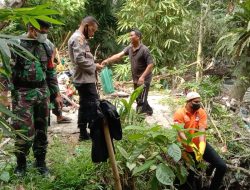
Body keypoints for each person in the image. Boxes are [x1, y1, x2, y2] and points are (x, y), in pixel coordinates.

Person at [11, 20, 62, 176]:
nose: (45, 34)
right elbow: (6, 71)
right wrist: (4, 95)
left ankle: (40, 163)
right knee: (23, 131)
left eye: (46, 31)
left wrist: (56, 94)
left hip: (42, 92)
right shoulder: (15, 44)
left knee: (42, 130)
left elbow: (51, 72)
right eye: (43, 31)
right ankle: (21, 164)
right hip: (22, 93)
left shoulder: (47, 46)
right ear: (32, 29)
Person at [173, 92, 227, 190]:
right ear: (188, 102)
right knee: (189, 177)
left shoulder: (201, 112)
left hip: (201, 145)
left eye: (199, 101)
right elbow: (181, 133)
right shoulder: (179, 113)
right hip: (187, 149)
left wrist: (201, 146)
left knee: (222, 166)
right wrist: (191, 145)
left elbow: (202, 130)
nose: (198, 103)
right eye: (196, 102)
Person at [101, 29, 154, 116]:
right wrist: (107, 60)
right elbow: (119, 55)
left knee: (141, 99)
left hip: (144, 79)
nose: (129, 37)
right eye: (129, 36)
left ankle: (139, 117)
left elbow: (150, 65)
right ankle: (149, 110)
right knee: (138, 97)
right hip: (136, 78)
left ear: (138, 37)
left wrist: (143, 77)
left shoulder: (144, 50)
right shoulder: (129, 48)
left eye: (131, 35)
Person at [68, 16, 103, 141]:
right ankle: (95, 132)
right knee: (94, 104)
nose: (92, 33)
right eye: (92, 30)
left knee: (84, 105)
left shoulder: (80, 38)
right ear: (86, 25)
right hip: (84, 79)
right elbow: (80, 59)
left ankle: (83, 133)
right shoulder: (78, 38)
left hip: (84, 78)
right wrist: (95, 67)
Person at [45, 39, 72, 124]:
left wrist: (57, 94)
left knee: (56, 93)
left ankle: (59, 116)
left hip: (48, 75)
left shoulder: (48, 45)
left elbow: (51, 70)